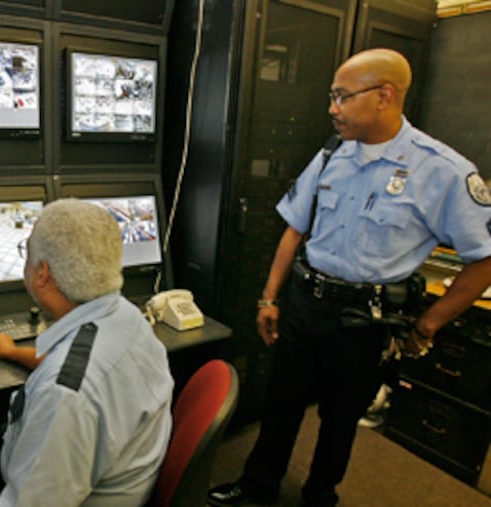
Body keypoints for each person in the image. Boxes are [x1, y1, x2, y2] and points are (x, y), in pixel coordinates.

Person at [207, 48, 491, 507]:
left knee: (341, 421)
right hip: (306, 302)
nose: (332, 108)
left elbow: (484, 257)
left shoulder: (442, 171)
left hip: (365, 321)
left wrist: (429, 323)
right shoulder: (332, 153)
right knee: (280, 404)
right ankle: (258, 486)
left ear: (384, 95)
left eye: (342, 97)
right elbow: (294, 228)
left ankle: (320, 495)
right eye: (331, 96)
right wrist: (269, 298)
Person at [0, 198, 174, 506]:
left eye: (26, 252)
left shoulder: (64, 396)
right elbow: (82, 366)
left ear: (42, 273)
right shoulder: (127, 317)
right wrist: (15, 353)